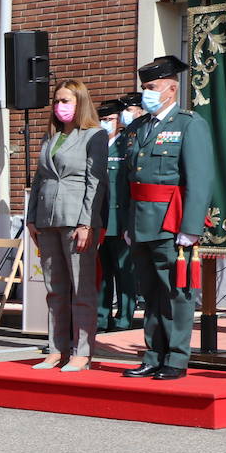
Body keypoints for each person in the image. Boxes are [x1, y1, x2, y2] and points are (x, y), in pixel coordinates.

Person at [120, 55, 214, 381]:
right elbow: (127, 180)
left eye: (151, 87)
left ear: (171, 90)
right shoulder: (138, 127)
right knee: (150, 293)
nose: (146, 92)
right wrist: (126, 224)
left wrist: (190, 228)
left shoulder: (189, 124)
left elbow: (199, 180)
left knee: (176, 293)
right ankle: (152, 355)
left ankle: (175, 358)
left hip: (171, 223)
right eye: (144, 87)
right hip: (140, 222)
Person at [26, 80, 109, 371]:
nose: (60, 107)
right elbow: (39, 180)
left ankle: (82, 351)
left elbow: (95, 181)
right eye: (57, 101)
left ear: (80, 103)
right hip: (48, 220)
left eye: (66, 101)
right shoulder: (50, 137)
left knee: (81, 288)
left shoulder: (95, 136)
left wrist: (88, 222)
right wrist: (31, 217)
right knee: (55, 289)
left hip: (76, 219)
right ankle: (55, 348)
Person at [96, 96, 138, 332]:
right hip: (100, 222)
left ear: (119, 119)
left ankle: (124, 319)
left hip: (120, 221)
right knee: (103, 273)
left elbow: (130, 188)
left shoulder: (127, 146)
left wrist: (128, 223)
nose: (106, 123)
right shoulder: (96, 146)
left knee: (124, 274)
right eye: (102, 119)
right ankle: (102, 317)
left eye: (110, 119)